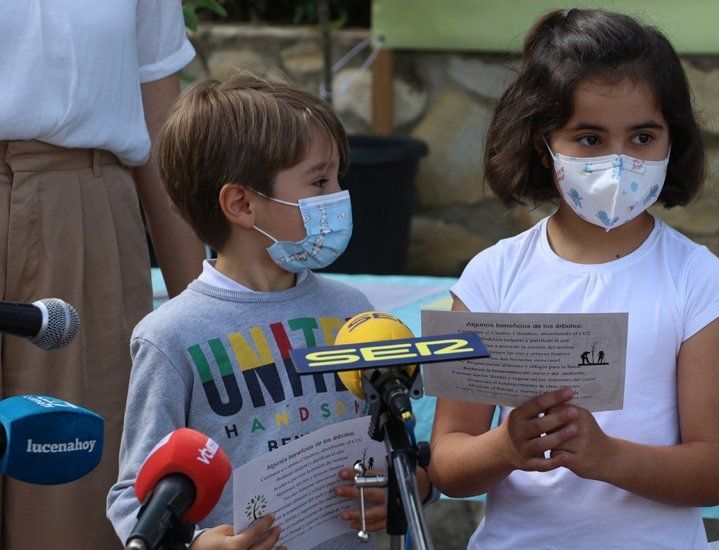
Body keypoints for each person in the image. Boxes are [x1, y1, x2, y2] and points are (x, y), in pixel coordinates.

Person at [429, 8, 719, 549]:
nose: (619, 162)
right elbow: (448, 462)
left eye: (643, 137)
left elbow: (716, 472)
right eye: (590, 139)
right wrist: (505, 447)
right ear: (542, 143)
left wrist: (606, 457)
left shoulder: (697, 279)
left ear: (674, 138)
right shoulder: (492, 277)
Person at [106, 74, 432, 549]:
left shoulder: (354, 313)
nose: (338, 195)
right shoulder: (170, 335)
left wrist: (404, 491)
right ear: (241, 203)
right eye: (319, 179)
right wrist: (196, 545)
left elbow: (398, 446)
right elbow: (132, 496)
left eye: (338, 176)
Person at [0, 2, 204, 548]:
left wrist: (203, 311)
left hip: (84, 217)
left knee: (71, 481)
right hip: (79, 206)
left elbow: (163, 123)